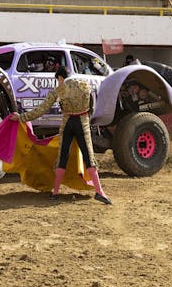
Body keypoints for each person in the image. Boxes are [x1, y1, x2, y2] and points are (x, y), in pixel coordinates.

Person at [11, 66, 112, 205]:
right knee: (89, 156)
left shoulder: (59, 89)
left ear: (60, 78)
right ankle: (100, 192)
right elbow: (91, 107)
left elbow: (41, 110)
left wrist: (21, 117)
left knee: (62, 156)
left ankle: (56, 192)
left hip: (67, 124)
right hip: (82, 122)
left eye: (58, 80)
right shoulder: (85, 85)